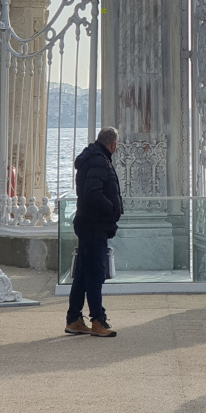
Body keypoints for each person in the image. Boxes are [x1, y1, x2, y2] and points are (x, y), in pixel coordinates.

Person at [65, 126, 123, 338]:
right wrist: (113, 211)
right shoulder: (100, 161)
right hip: (94, 225)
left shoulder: (92, 158)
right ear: (113, 144)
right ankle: (98, 320)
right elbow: (93, 193)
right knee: (95, 274)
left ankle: (74, 319)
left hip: (87, 222)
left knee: (82, 273)